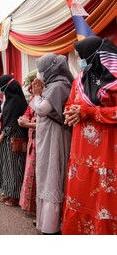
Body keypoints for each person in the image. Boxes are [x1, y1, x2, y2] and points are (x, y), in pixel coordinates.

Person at [62, 36, 117, 235]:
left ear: (93, 55)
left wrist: (90, 112)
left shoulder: (114, 78)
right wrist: (71, 112)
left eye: (80, 56)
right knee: (82, 196)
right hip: (82, 153)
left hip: (108, 154)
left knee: (105, 202)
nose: (79, 61)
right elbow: (71, 103)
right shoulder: (80, 79)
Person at [30, 53, 73, 235]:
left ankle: (51, 227)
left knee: (52, 177)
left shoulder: (59, 86)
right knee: (46, 175)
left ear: (50, 69)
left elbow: (41, 109)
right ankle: (44, 222)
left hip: (55, 137)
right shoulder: (53, 85)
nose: (39, 74)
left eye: (41, 70)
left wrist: (36, 95)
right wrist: (38, 95)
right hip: (47, 137)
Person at [0, 75, 28, 207]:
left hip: (14, 135)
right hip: (7, 135)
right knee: (7, 165)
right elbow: (9, 116)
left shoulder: (16, 101)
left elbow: (15, 120)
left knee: (14, 166)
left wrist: (5, 132)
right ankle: (8, 191)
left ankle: (15, 195)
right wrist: (1, 117)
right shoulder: (9, 100)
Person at [18, 70, 38, 215]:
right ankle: (33, 208)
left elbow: (49, 122)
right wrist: (23, 119)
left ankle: (41, 211)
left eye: (32, 86)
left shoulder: (48, 96)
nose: (30, 89)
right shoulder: (33, 99)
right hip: (33, 139)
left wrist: (28, 124)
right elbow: (27, 113)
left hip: (43, 140)